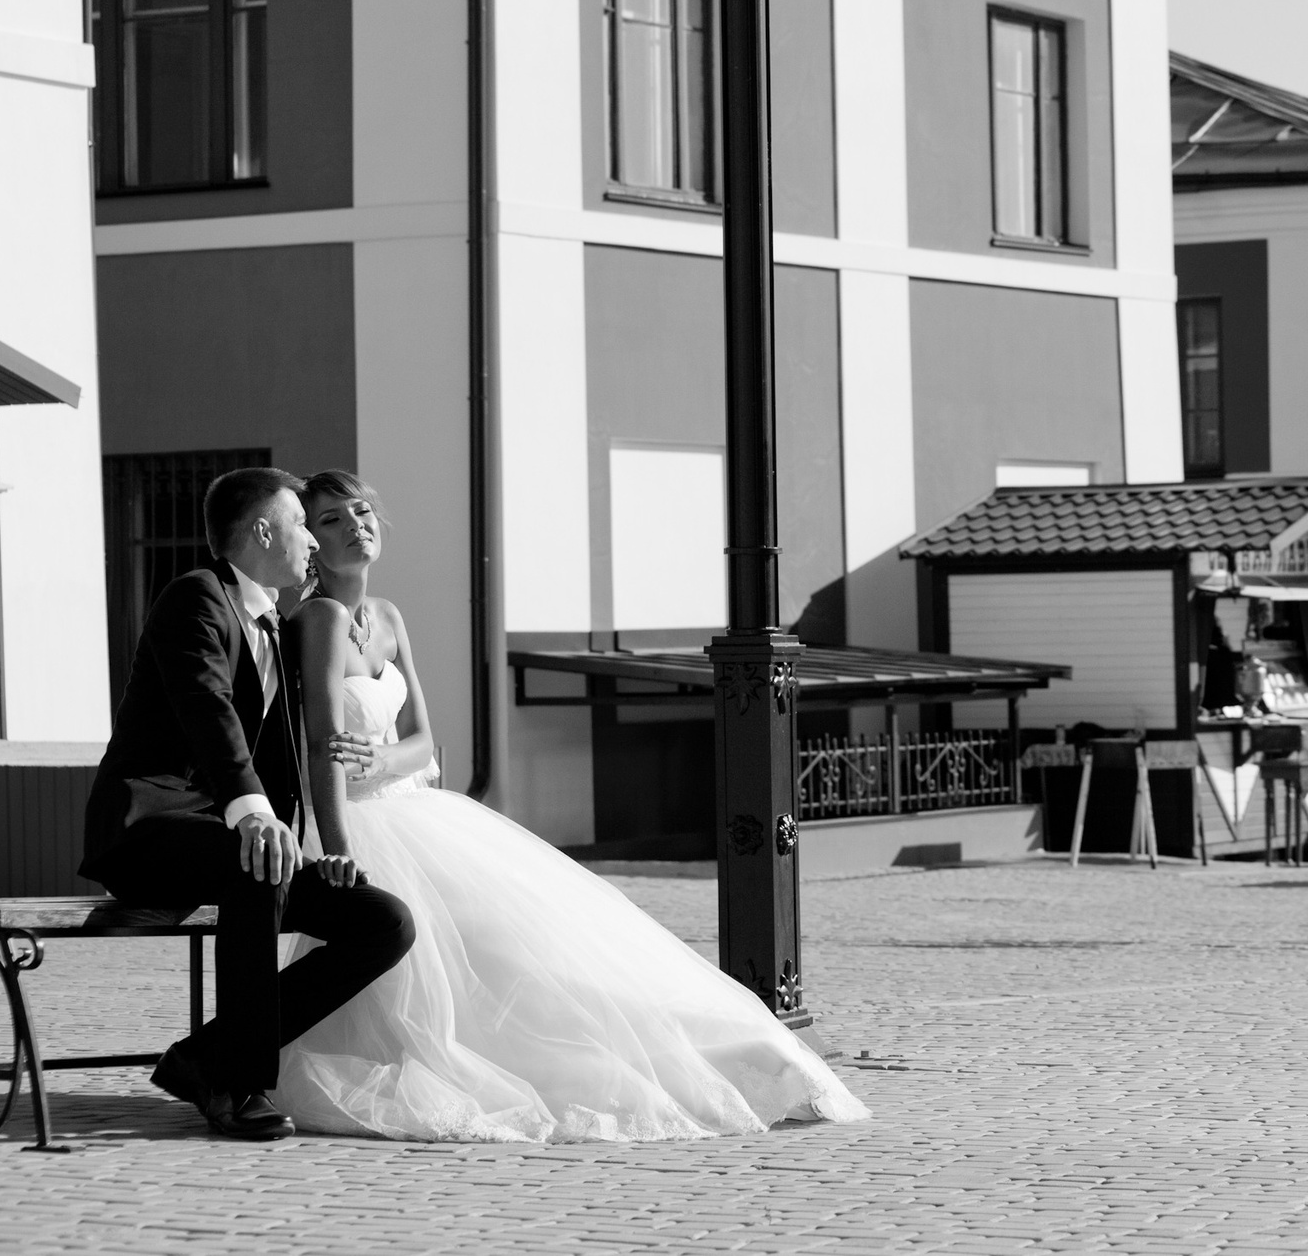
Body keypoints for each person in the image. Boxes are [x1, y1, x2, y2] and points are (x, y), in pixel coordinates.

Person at [272, 470, 868, 1142]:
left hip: (422, 810)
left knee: (537, 952)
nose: (356, 525)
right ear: (312, 544)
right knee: (475, 967)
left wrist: (385, 759)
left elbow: (425, 743)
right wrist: (341, 851)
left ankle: (730, 1059)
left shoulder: (388, 617)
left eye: (361, 510)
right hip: (368, 826)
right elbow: (324, 745)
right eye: (330, 519)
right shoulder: (317, 619)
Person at [80, 468, 416, 1141]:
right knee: (253, 859)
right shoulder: (196, 598)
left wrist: (317, 843)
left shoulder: (281, 625)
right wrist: (255, 814)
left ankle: (206, 1056)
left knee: (385, 922)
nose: (311, 544)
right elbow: (209, 715)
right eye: (301, 524)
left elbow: (300, 747)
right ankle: (239, 1083)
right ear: (264, 530)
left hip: (238, 838)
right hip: (153, 830)